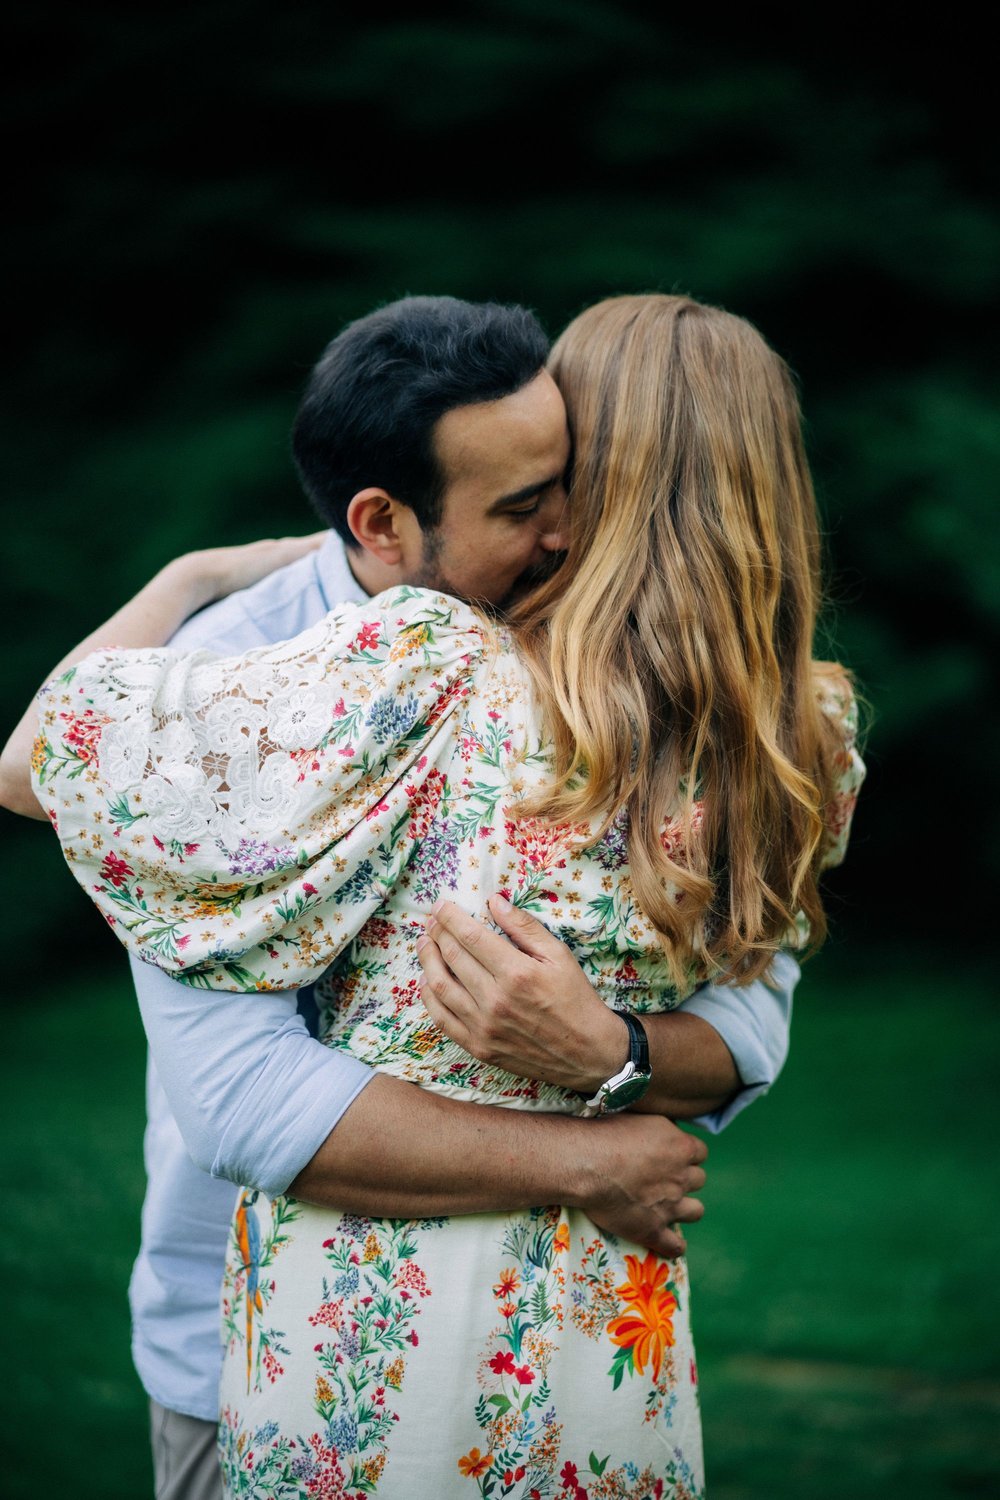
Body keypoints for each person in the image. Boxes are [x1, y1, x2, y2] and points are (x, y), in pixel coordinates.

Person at [0, 293, 848, 1497]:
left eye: (572, 487)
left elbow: (751, 1015)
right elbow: (244, 1098)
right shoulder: (799, 727)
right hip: (296, 1314)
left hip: (413, 1323)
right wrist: (595, 1157)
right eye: (528, 502)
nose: (558, 536)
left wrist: (607, 1051)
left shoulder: (547, 685)